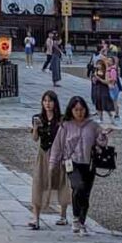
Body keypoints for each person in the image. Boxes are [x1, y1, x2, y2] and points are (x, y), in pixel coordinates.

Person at [49, 95, 112, 235]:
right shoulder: (65, 126)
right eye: (76, 110)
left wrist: (103, 135)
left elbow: (101, 143)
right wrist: (53, 164)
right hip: (72, 163)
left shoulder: (93, 125)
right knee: (78, 187)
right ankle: (76, 217)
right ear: (71, 110)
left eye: (82, 109)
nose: (79, 112)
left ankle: (81, 222)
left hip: (88, 164)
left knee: (85, 194)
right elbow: (57, 146)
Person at [29, 90, 70, 230]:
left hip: (57, 154)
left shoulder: (61, 119)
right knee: (39, 182)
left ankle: (63, 215)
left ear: (55, 103)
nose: (47, 104)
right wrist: (35, 127)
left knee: (61, 182)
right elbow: (35, 139)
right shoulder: (37, 117)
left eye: (50, 101)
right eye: (45, 101)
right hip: (43, 153)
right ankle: (36, 217)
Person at [91, 57, 114, 123]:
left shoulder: (105, 72)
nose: (98, 66)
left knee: (105, 104)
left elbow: (106, 82)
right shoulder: (96, 71)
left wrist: (99, 79)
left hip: (104, 89)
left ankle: (111, 116)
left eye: (99, 64)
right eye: (97, 64)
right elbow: (94, 81)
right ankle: (100, 118)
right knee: (98, 103)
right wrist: (94, 80)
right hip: (97, 88)